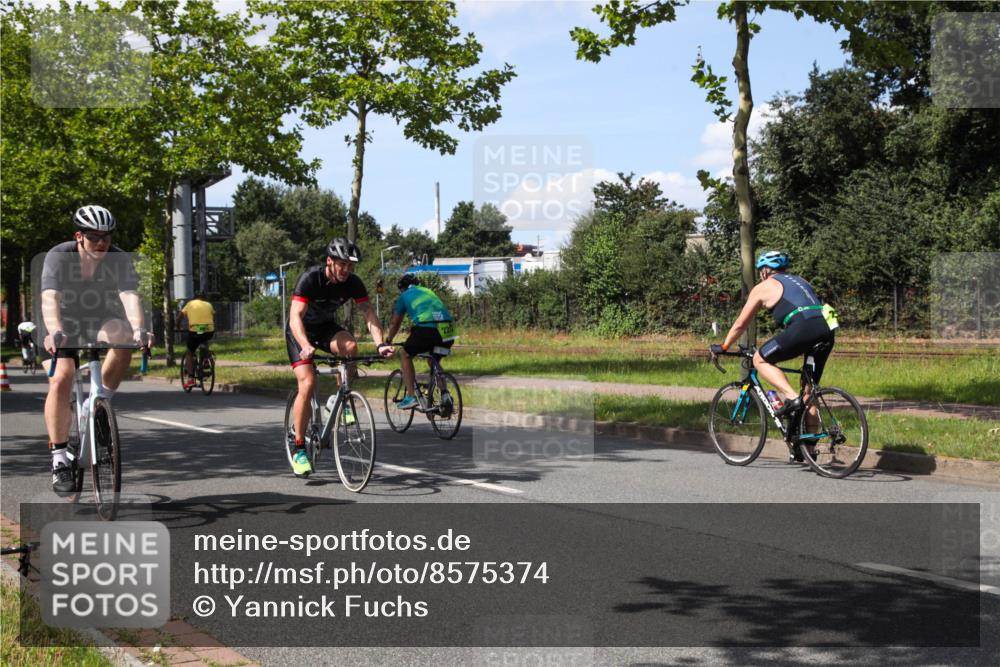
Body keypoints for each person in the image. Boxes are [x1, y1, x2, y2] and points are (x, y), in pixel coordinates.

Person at [40, 204, 153, 493]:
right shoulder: (59, 256)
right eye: (93, 237)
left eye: (107, 236)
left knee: (125, 337)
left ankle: (98, 405)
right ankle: (60, 460)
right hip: (60, 321)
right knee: (62, 376)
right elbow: (49, 298)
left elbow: (128, 296)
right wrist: (54, 331)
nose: (101, 243)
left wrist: (139, 328)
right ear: (79, 236)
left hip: (96, 317)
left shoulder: (117, 258)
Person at [710, 251, 838, 456]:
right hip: (827, 329)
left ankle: (791, 397)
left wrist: (724, 347)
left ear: (765, 271)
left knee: (760, 358)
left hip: (803, 327)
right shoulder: (801, 280)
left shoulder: (763, 287)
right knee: (809, 391)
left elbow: (741, 323)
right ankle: (808, 450)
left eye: (761, 270)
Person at [285, 237, 394, 477]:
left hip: (324, 329)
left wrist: (380, 344)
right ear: (329, 262)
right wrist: (304, 345)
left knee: (350, 347)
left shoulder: (353, 283)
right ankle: (299, 447)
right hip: (300, 332)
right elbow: (295, 317)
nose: (346, 270)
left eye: (350, 266)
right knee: (308, 381)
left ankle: (339, 398)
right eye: (342, 264)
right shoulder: (310, 279)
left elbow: (368, 313)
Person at [384, 274, 457, 410]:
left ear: (402, 288)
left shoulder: (404, 296)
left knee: (405, 353)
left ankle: (411, 396)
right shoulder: (427, 291)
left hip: (427, 329)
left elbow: (395, 323)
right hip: (448, 330)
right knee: (432, 360)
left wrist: (388, 340)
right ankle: (445, 395)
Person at [178, 292, 215, 389]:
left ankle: (190, 379)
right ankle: (206, 358)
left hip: (196, 330)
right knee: (204, 339)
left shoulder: (190, 304)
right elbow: (212, 316)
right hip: (209, 330)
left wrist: (177, 327)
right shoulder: (209, 304)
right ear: (204, 298)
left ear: (195, 298)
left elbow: (179, 317)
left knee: (190, 352)